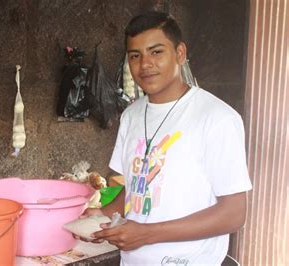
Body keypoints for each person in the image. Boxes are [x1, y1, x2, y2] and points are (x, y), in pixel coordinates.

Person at [79, 11, 252, 265]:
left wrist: (147, 234)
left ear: (180, 53)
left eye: (156, 52)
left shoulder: (217, 118)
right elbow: (136, 187)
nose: (145, 64)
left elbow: (234, 214)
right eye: (135, 55)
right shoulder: (131, 116)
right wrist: (104, 214)